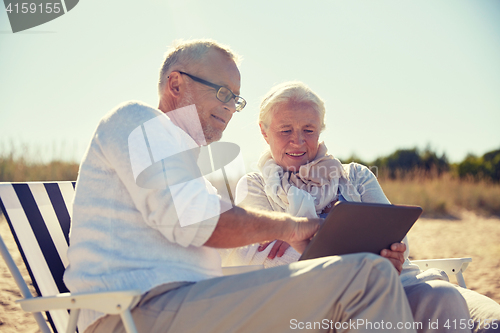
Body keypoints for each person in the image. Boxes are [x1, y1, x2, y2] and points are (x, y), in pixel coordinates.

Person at [63, 40, 418, 333]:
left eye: (236, 99)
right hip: (137, 312)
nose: (231, 108)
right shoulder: (136, 120)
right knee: (368, 277)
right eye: (222, 92)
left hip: (193, 305)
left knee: (368, 278)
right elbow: (201, 222)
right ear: (175, 84)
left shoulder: (185, 163)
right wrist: (294, 226)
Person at [224, 81, 500, 333]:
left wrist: (393, 252)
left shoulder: (356, 175)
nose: (298, 140)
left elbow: (395, 234)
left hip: (384, 280)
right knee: (370, 314)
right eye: (285, 130)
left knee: (444, 296)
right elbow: (263, 256)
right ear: (264, 132)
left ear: (320, 130)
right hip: (309, 298)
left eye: (309, 130)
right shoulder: (256, 185)